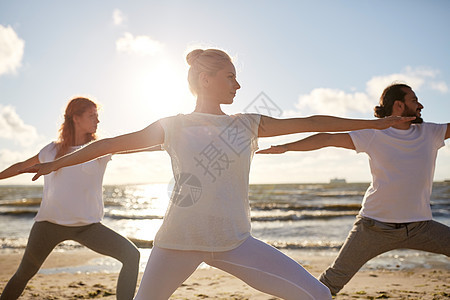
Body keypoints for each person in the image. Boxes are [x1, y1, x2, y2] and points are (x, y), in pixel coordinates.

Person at [24, 50, 413, 300]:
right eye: (230, 77)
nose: (238, 85)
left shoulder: (248, 123)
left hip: (233, 240)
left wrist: (376, 124)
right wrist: (55, 164)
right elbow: (106, 145)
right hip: (177, 241)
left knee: (317, 296)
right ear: (206, 79)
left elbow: (310, 120)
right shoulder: (172, 125)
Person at [257, 83, 450, 295]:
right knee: (331, 282)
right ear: (399, 105)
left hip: (420, 226)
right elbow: (328, 138)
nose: (420, 104)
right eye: (414, 100)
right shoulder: (375, 134)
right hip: (374, 227)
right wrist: (286, 147)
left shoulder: (431, 133)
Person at [0, 97, 141, 300]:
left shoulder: (100, 149)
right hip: (48, 225)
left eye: (97, 116)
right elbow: (21, 166)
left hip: (88, 227)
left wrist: (166, 141)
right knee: (24, 274)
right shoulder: (51, 150)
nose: (97, 121)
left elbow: (137, 145)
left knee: (131, 255)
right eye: (92, 116)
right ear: (76, 118)